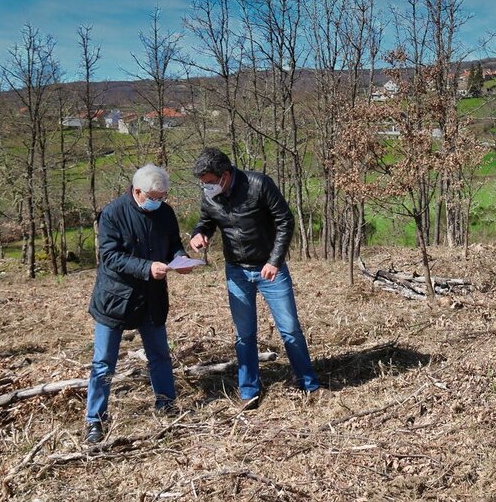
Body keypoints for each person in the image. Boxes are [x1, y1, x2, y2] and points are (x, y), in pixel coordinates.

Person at [188, 147, 320, 404]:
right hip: (236, 270)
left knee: (290, 328)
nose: (207, 189)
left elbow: (285, 221)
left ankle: (308, 383)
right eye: (203, 185)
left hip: (270, 269)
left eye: (211, 183)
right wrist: (199, 233)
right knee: (244, 334)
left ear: (225, 175)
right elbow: (206, 221)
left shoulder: (259, 185)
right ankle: (249, 390)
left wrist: (274, 261)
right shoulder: (210, 196)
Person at [84, 164, 192, 444]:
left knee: (159, 355)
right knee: (103, 362)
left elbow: (173, 244)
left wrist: (180, 260)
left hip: (153, 298)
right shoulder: (113, 213)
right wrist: (146, 267)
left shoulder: (165, 213)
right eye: (154, 196)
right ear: (137, 191)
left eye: (163, 196)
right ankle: (95, 419)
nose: (159, 201)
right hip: (116, 298)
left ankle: (166, 403)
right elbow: (110, 256)